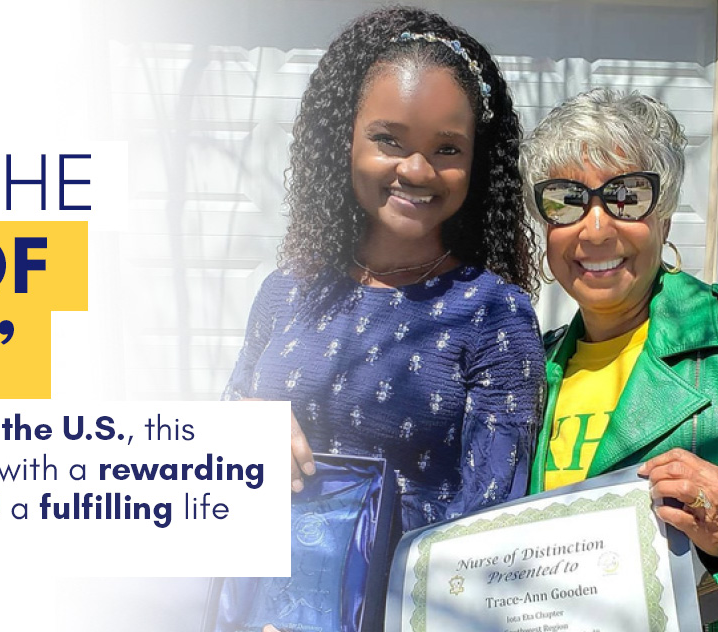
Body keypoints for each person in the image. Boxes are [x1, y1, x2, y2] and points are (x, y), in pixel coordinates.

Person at [223, 5, 545, 536]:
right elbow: (220, 452)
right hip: (250, 606)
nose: (417, 169)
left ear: (476, 162)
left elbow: (490, 529)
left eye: (447, 148)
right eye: (389, 139)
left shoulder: (494, 315)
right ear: (345, 141)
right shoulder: (284, 292)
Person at [521, 88, 718, 569]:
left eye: (627, 197)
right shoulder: (526, 372)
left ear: (666, 217)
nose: (595, 230)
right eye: (566, 201)